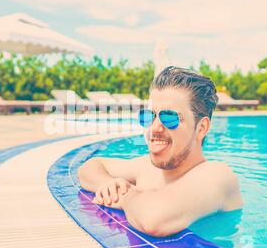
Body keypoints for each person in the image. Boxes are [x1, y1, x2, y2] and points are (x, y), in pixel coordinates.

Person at [78, 66, 243, 237]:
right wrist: (107, 184)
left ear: (201, 128)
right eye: (149, 116)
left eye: (169, 118)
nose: (155, 127)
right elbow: (90, 166)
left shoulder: (218, 176)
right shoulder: (147, 168)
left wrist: (125, 195)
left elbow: (153, 219)